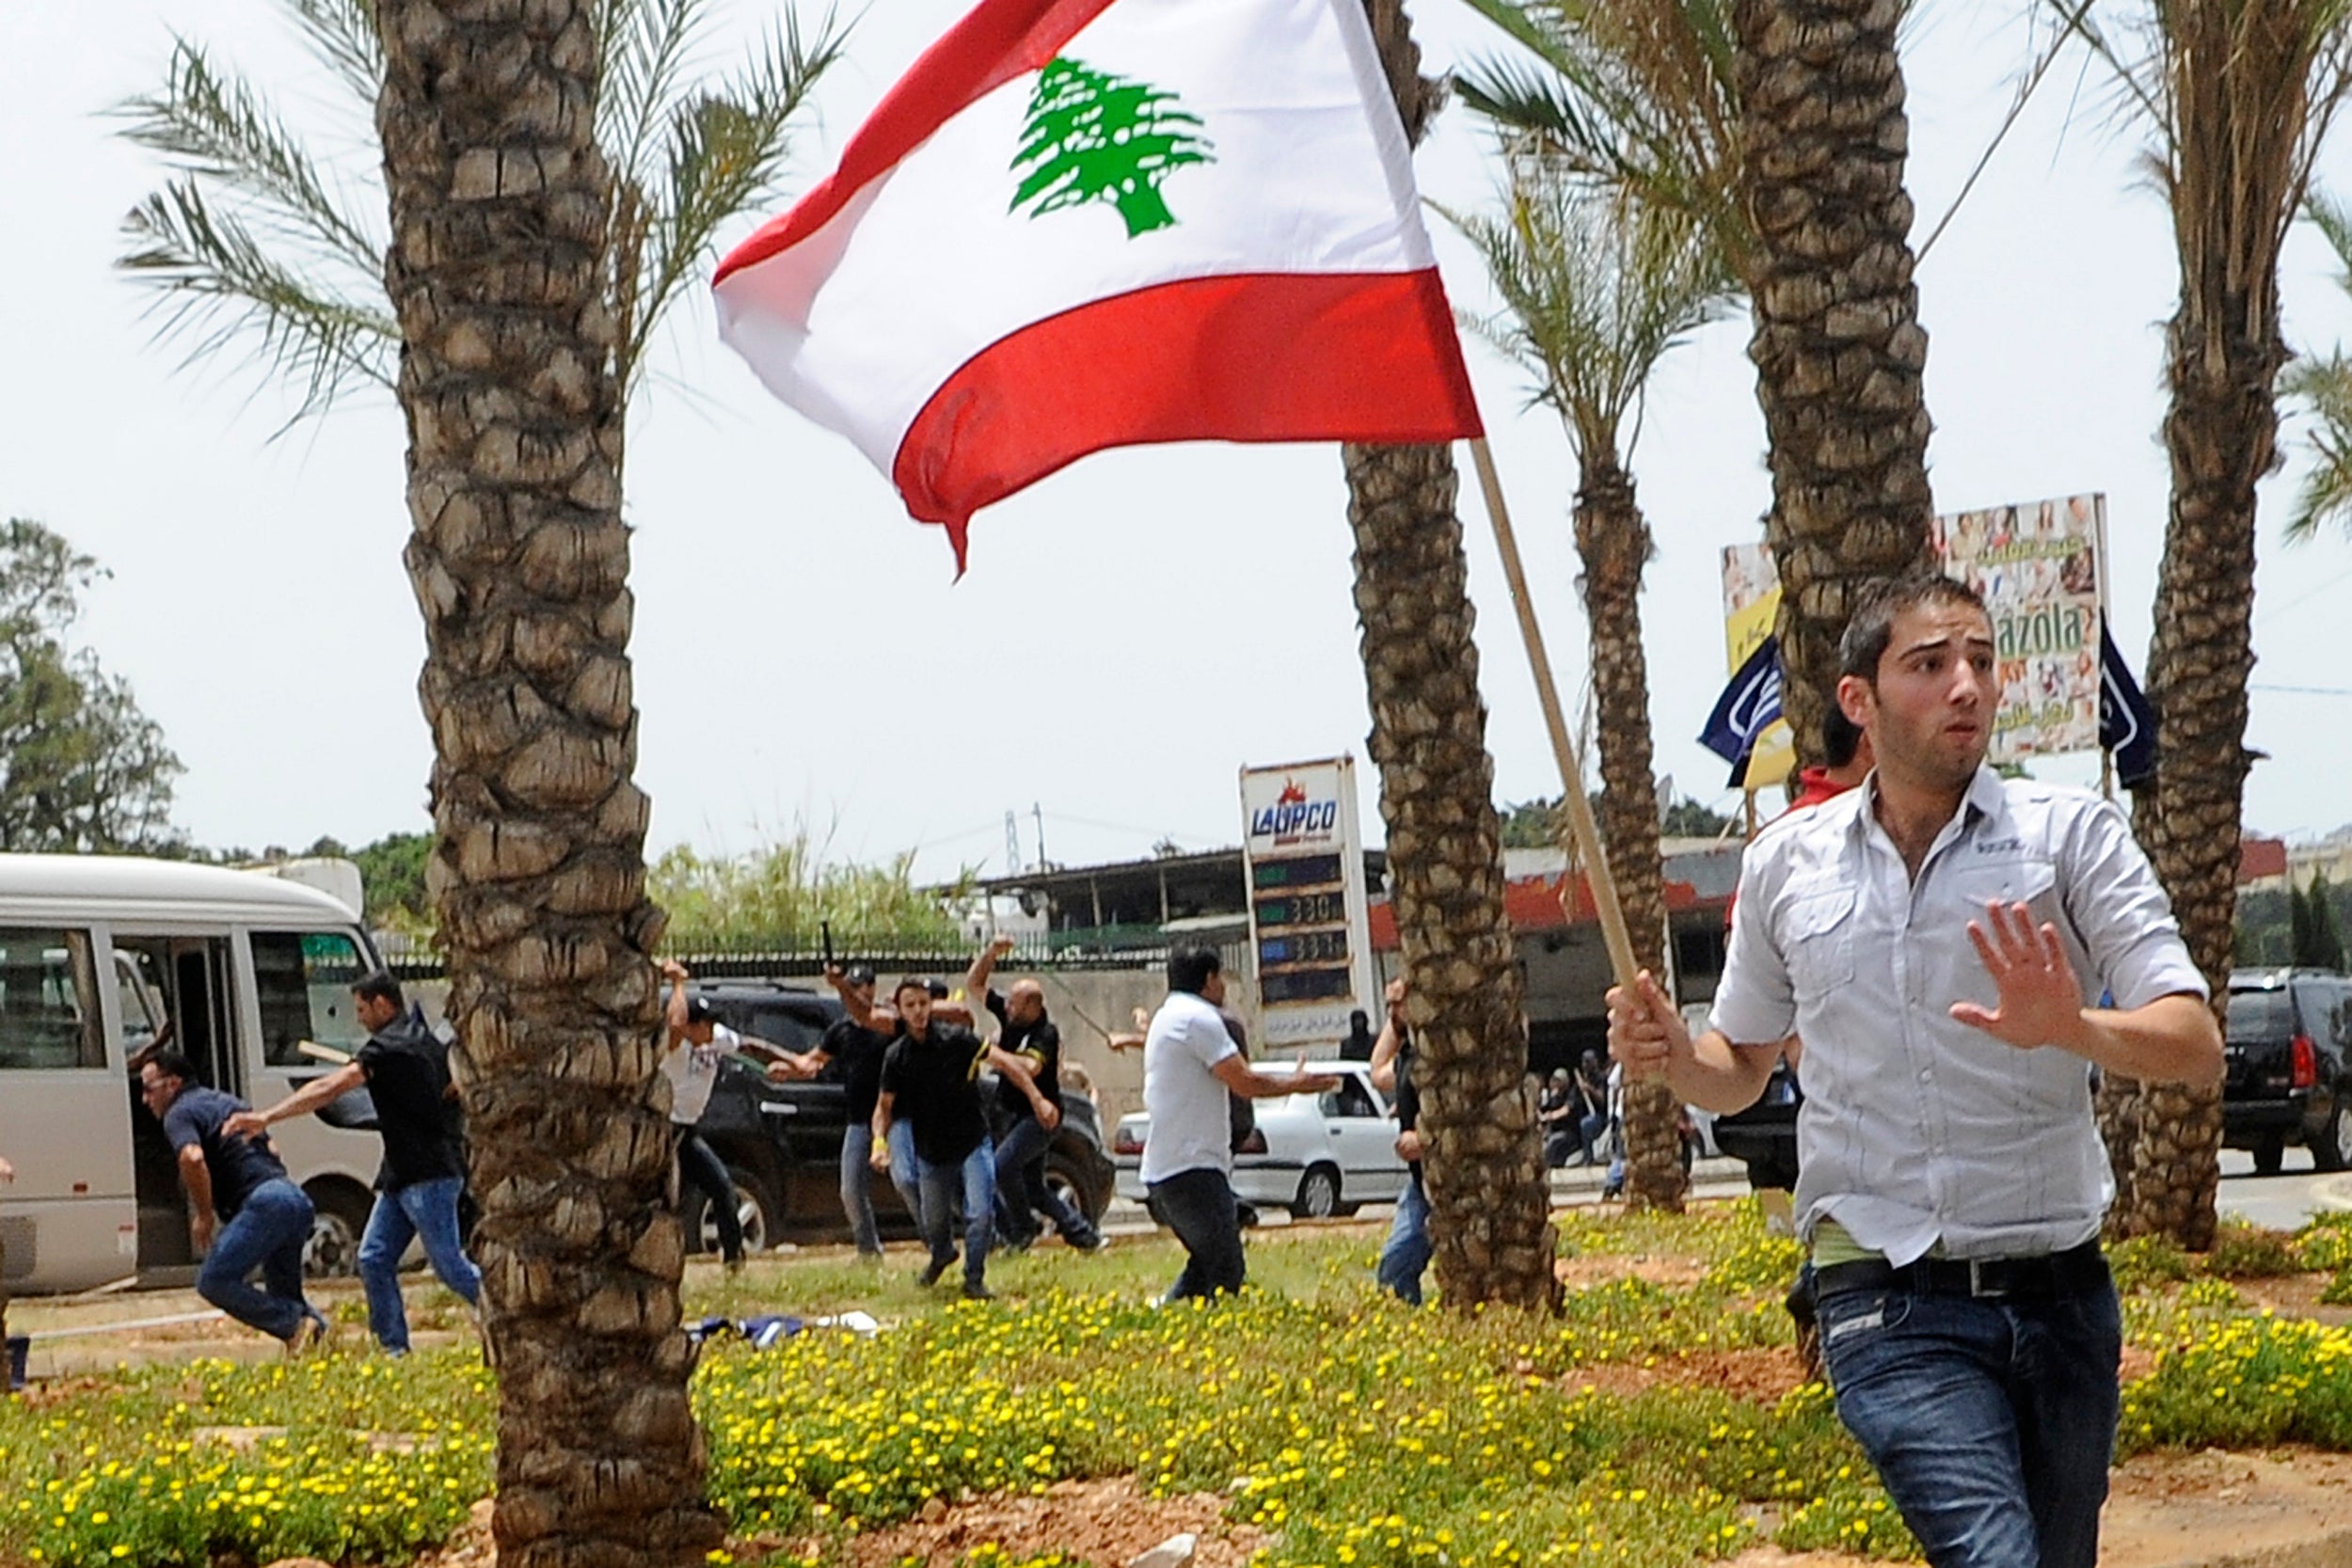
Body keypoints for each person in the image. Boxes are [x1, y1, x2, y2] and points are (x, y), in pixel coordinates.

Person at [1608, 572, 2221, 1568]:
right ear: (1860, 699)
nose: (1966, 685)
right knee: (1993, 1556)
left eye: (1979, 659)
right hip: (1883, 1289)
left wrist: (2072, 1026)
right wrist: (1675, 1055)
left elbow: (2190, 1040)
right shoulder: (1783, 864)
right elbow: (1739, 1067)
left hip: (2059, 1292)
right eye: (1929, 664)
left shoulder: (2069, 835)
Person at [226, 973, 481, 1354]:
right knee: (374, 1257)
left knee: (449, 1267)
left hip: (430, 1175)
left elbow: (330, 1087)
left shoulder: (389, 1047)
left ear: (383, 1005)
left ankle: (512, 1314)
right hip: (400, 1174)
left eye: (362, 1009)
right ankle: (393, 1349)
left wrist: (267, 1117)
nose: (359, 1018)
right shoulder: (424, 1040)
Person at [1141, 946, 1339, 1303]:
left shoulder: (1169, 1016)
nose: (1224, 989)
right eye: (1221, 979)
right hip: (1192, 1167)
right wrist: (1297, 1084)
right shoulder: (1199, 1019)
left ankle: (1162, 1312)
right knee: (1226, 1269)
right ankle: (1208, 1331)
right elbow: (1243, 1082)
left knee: (1208, 1260)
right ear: (1209, 980)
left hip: (1172, 1166)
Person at [868, 976, 1057, 1299]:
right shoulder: (897, 1057)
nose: (918, 1012)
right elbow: (883, 1107)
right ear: (899, 1011)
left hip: (972, 1141)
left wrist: (1037, 1098)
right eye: (910, 1006)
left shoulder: (957, 1039)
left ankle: (974, 1278)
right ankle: (941, 1254)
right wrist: (879, 1144)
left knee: (981, 1212)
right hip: (931, 1152)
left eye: (923, 1004)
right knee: (936, 1223)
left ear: (932, 1005)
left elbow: (1005, 1063)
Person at [139, 1051, 329, 1354]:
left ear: (173, 1083)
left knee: (214, 1281)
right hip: (293, 1196)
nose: (144, 1100)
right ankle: (323, 1344)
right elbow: (273, 1149)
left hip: (265, 1202)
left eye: (149, 1089)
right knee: (284, 1294)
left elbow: (192, 1157)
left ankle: (296, 1326)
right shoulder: (228, 1102)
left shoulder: (179, 1113)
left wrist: (203, 1214)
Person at [767, 963, 917, 1259]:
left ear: (873, 989)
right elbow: (813, 1062)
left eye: (862, 987)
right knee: (850, 1190)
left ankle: (934, 1236)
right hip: (859, 1121)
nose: (857, 994)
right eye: (853, 987)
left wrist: (840, 986)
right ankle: (868, 1249)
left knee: (907, 1180)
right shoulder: (840, 1031)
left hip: (894, 1117)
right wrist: (788, 1070)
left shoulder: (888, 1024)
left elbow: (866, 1012)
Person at [966, 937, 1106, 1253]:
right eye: (1010, 1003)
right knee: (1034, 1189)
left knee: (1002, 1167)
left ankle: (1020, 1232)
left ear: (1033, 1006)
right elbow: (974, 984)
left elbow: (1029, 1068)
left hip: (1040, 1116)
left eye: (1016, 1004)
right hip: (1011, 1114)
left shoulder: (1045, 1033)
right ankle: (1084, 1235)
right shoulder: (1009, 1014)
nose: (1009, 1007)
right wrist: (991, 953)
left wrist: (994, 1055)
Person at [659, 960, 757, 1271]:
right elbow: (674, 1025)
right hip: (663, 1130)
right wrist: (677, 984)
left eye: (710, 1023)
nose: (708, 1029)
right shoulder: (673, 1046)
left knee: (722, 1187)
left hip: (688, 1132)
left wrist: (794, 1062)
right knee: (662, 1200)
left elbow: (751, 1045)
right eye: (701, 1023)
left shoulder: (716, 1038)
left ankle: (734, 1261)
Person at [1368, 975, 1429, 1305]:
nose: (1391, 1011)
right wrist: (1398, 1020)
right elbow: (1377, 1071)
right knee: (1393, 1270)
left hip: (1448, 1181)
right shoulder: (1406, 1057)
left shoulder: (1435, 1056)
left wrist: (1426, 1140)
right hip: (1421, 1184)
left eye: (1398, 1003)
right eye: (1388, 1004)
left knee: (1399, 1263)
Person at [1536, 1069, 1580, 1167]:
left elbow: (1565, 1110)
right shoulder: (1552, 1096)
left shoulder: (1571, 1094)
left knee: (1553, 1142)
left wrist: (1550, 1116)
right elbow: (1542, 1110)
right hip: (1552, 1130)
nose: (1555, 1083)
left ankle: (1549, 1165)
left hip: (1569, 1131)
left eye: (1558, 1081)